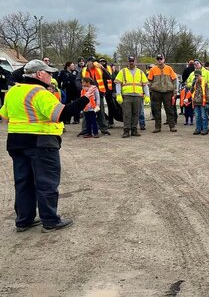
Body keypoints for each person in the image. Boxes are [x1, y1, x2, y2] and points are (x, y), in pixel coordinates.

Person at [0, 59, 92, 232]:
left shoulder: (12, 91)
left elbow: (4, 116)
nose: (51, 76)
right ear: (39, 74)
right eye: (48, 73)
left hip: (16, 142)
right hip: (41, 143)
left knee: (23, 182)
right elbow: (61, 114)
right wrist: (84, 100)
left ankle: (23, 220)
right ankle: (50, 220)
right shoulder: (40, 93)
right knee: (46, 182)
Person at [114, 56, 150, 138]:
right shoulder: (122, 72)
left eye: (133, 61)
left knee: (136, 114)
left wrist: (147, 95)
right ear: (128, 62)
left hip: (138, 96)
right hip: (126, 96)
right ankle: (126, 130)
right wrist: (118, 94)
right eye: (130, 61)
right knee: (127, 114)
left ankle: (134, 129)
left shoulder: (140, 72)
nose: (131, 62)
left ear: (135, 62)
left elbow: (145, 85)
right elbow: (118, 83)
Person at [147, 54, 178, 133]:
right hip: (156, 93)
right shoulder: (153, 70)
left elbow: (174, 80)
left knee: (169, 110)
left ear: (164, 59)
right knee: (156, 110)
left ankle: (172, 126)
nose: (159, 60)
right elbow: (149, 81)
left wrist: (174, 92)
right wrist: (152, 89)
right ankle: (157, 127)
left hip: (168, 92)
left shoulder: (169, 68)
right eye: (158, 59)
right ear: (156, 60)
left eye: (161, 58)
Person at [80, 57, 111, 135]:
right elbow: (78, 80)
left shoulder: (99, 69)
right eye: (92, 62)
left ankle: (103, 129)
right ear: (88, 62)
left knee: (100, 111)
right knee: (86, 111)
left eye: (94, 62)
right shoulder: (83, 70)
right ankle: (85, 130)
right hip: (87, 94)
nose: (94, 63)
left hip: (98, 93)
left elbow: (109, 77)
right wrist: (81, 88)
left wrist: (102, 67)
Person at [192, 70, 209, 135]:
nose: (196, 77)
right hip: (196, 102)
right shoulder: (195, 83)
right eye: (195, 76)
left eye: (197, 76)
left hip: (203, 102)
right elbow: (192, 92)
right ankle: (198, 129)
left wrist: (207, 102)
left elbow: (208, 93)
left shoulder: (205, 83)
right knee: (197, 117)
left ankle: (205, 129)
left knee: (204, 116)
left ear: (200, 75)